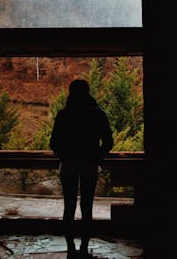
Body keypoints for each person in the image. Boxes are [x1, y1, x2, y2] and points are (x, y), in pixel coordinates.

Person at [50, 79, 113, 259]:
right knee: (87, 206)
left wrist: (64, 155)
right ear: (88, 92)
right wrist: (96, 157)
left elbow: (54, 142)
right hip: (89, 166)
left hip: (68, 165)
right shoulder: (98, 114)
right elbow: (108, 141)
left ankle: (70, 248)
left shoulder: (63, 114)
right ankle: (84, 247)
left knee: (68, 206)